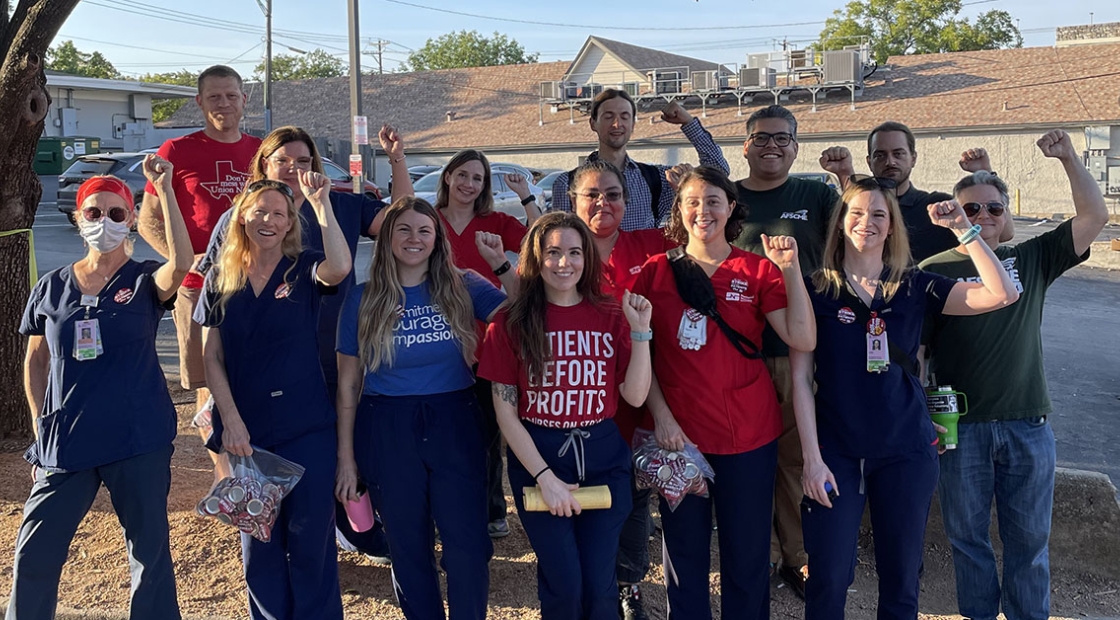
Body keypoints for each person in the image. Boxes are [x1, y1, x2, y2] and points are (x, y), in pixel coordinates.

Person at [790, 177, 1020, 620]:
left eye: (879, 214)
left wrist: (963, 229)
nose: (868, 222)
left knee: (900, 580)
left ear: (892, 225)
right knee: (828, 577)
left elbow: (1002, 293)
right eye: (857, 213)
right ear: (840, 222)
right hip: (836, 452)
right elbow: (800, 378)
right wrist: (811, 460)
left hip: (906, 450)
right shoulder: (815, 288)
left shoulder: (915, 286)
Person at [198, 123, 413, 560]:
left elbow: (403, 219)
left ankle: (357, 530)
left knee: (344, 448)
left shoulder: (339, 205)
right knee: (274, 458)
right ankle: (279, 535)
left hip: (336, 352)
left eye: (303, 161)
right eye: (283, 161)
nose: (294, 169)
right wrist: (210, 392)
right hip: (267, 368)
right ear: (264, 165)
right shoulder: (240, 217)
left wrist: (396, 159)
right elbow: (215, 305)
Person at [921, 130, 1108, 620]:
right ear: (956, 215)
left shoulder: (1030, 258)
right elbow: (918, 352)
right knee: (966, 537)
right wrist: (925, 418)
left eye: (994, 208)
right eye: (971, 208)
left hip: (1027, 423)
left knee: (1029, 540)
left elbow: (1094, 217)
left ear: (1007, 217)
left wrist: (1069, 157)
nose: (983, 215)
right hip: (961, 429)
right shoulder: (932, 269)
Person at [9, 158, 192, 620]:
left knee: (149, 554)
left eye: (115, 213)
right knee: (35, 551)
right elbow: (35, 361)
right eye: (94, 212)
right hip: (67, 439)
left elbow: (183, 263)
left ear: (130, 220)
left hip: (137, 438)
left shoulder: (145, 279)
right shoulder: (51, 287)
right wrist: (39, 426)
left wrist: (165, 190)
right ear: (78, 218)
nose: (104, 221)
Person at [631, 167, 815, 620]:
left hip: (747, 435)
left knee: (747, 553)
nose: (703, 211)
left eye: (713, 200)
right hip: (680, 438)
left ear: (731, 207)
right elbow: (640, 356)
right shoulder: (655, 272)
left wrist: (790, 270)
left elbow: (802, 337)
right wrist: (661, 417)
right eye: (692, 201)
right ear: (679, 209)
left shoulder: (756, 270)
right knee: (684, 554)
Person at [335, 197, 505, 620]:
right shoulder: (362, 298)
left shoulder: (462, 284)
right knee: (408, 546)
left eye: (424, 230)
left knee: (467, 545)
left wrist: (501, 266)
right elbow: (348, 384)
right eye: (404, 230)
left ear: (437, 239)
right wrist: (346, 459)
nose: (414, 238)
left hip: (455, 420)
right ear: (388, 238)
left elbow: (522, 317)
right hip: (387, 424)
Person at [478, 211, 653, 620]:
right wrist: (545, 479)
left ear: (587, 259)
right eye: (553, 252)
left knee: (599, 581)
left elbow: (634, 394)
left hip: (603, 456)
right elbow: (506, 415)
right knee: (565, 582)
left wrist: (641, 332)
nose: (564, 262)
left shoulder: (611, 314)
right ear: (536, 258)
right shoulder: (510, 321)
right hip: (540, 455)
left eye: (574, 252)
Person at [196, 172, 352, 620]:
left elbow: (340, 267)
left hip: (306, 428)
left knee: (311, 544)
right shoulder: (222, 277)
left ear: (289, 224)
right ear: (242, 217)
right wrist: (231, 421)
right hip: (249, 435)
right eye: (260, 211)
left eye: (279, 214)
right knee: (259, 545)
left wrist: (321, 205)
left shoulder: (303, 269)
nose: (268, 220)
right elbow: (212, 358)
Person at [731, 104, 837, 598]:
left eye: (782, 138)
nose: (771, 146)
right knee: (751, 461)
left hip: (800, 348)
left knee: (795, 460)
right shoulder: (727, 197)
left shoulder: (816, 195)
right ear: (745, 145)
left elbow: (857, 238)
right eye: (761, 138)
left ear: (796, 147)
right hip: (739, 352)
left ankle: (798, 556)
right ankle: (763, 555)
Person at [568, 160, 675, 619]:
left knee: (632, 498)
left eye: (612, 195)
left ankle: (628, 583)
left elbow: (711, 223)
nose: (602, 203)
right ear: (573, 202)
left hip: (640, 397)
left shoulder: (650, 244)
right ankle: (589, 583)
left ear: (627, 203)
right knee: (581, 495)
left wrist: (683, 186)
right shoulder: (562, 253)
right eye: (591, 195)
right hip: (580, 402)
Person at [139, 65, 262, 443]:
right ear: (199, 102)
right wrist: (183, 259)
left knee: (256, 373)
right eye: (214, 97)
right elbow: (147, 221)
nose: (223, 103)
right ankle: (220, 468)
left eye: (231, 95)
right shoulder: (176, 151)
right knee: (208, 384)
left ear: (244, 99)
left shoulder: (262, 152)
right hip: (197, 287)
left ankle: (255, 457)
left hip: (253, 283)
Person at [434, 148, 540, 539]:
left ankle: (493, 508)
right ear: (448, 176)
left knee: (488, 434)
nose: (468, 184)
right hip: (437, 343)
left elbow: (541, 242)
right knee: (446, 435)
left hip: (486, 345)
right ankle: (447, 508)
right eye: (462, 175)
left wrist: (527, 197)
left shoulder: (495, 222)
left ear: (484, 186)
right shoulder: (430, 219)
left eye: (477, 178)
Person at [818, 121, 1004, 262]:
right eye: (880, 155)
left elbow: (1002, 233)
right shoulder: (862, 215)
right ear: (869, 162)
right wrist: (844, 173)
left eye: (898, 154)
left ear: (913, 158)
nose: (890, 162)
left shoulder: (938, 207)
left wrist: (985, 174)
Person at [551, 89, 729, 231]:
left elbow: (718, 170)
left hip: (643, 267)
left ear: (633, 125)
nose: (617, 124)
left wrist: (688, 122)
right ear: (593, 123)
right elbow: (561, 238)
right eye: (608, 116)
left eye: (624, 116)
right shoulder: (567, 183)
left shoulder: (657, 179)